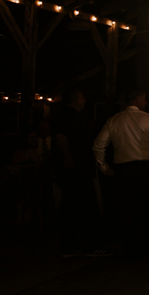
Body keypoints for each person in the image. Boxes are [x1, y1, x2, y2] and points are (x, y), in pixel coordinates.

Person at [92, 90, 149, 255]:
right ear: (138, 98)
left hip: (124, 170)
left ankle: (131, 247)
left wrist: (103, 167)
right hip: (148, 168)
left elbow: (98, 145)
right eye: (145, 99)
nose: (146, 102)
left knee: (127, 210)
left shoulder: (114, 121)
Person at [52, 89, 101, 256]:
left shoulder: (72, 116)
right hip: (77, 169)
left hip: (79, 168)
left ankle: (72, 245)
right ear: (74, 100)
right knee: (84, 206)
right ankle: (88, 245)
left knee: (73, 206)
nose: (85, 100)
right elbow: (61, 137)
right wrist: (68, 157)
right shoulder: (68, 116)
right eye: (81, 97)